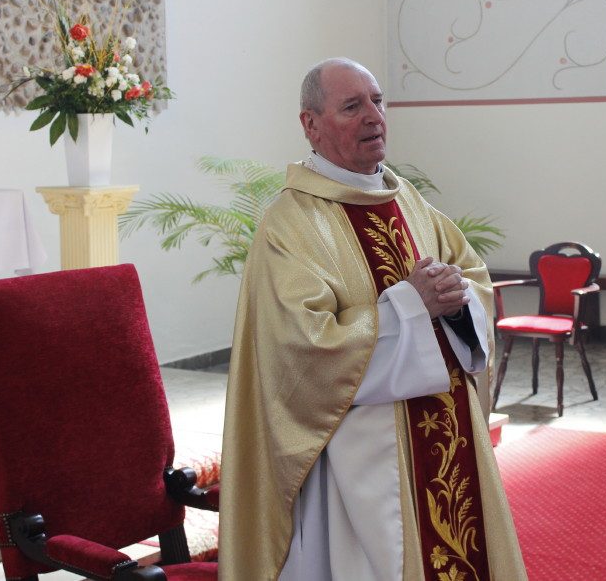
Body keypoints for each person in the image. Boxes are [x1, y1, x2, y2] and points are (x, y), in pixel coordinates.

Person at [219, 58, 527, 580]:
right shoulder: (290, 223)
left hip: (446, 427)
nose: (373, 116)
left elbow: (470, 274)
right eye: (352, 106)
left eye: (378, 101)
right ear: (311, 124)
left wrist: (458, 298)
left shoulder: (409, 201)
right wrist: (412, 304)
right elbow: (301, 347)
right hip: (360, 458)